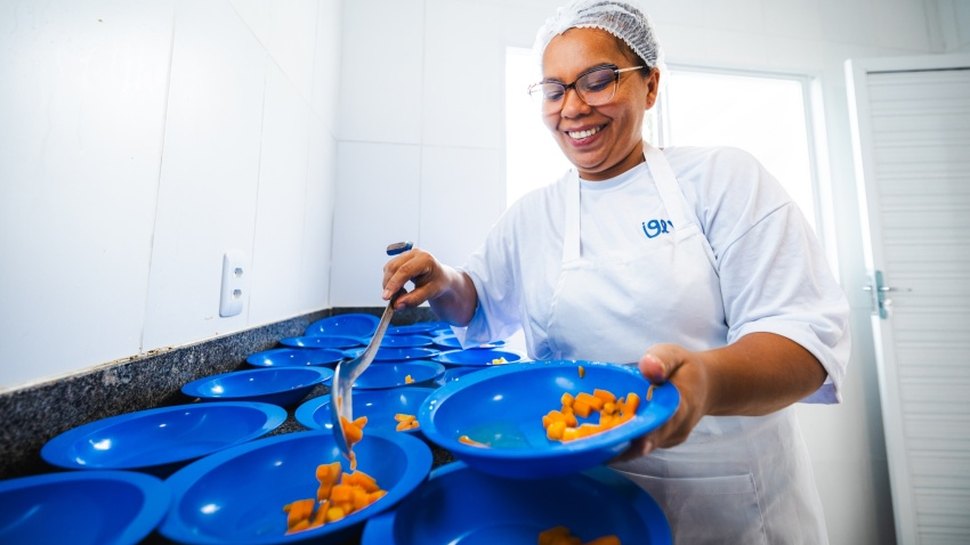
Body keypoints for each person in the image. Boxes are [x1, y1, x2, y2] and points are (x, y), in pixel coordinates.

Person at [382, 1, 850, 543]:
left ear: (650, 86)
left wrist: (705, 382)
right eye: (554, 90)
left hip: (732, 503)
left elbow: (804, 345)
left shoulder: (722, 179)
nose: (573, 108)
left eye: (598, 81)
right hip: (587, 493)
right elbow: (479, 301)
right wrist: (444, 280)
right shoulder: (535, 214)